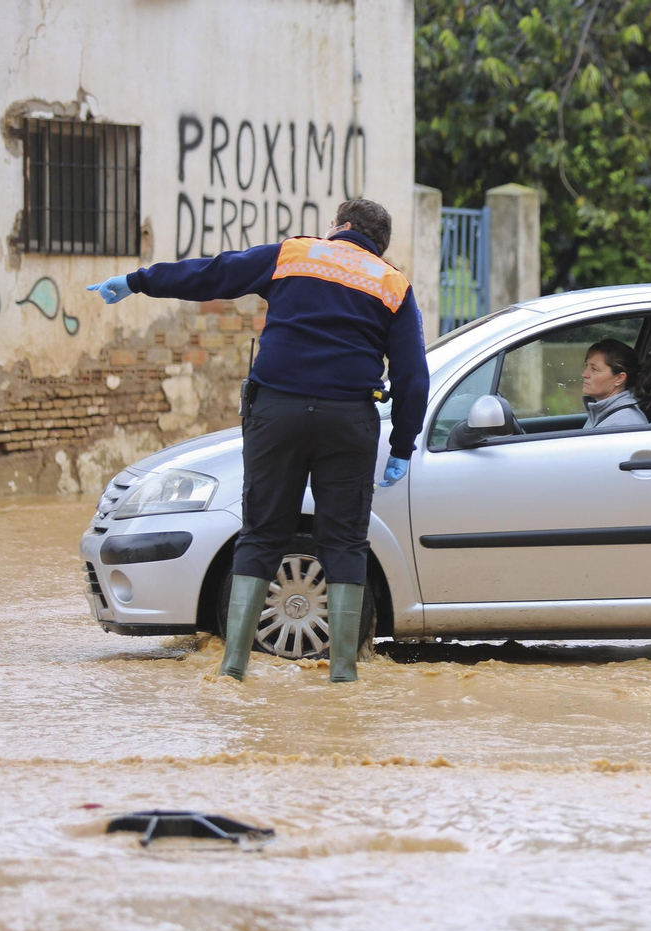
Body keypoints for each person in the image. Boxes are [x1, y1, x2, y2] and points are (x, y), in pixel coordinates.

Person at [87, 199, 427, 684]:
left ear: (343, 227)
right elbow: (413, 377)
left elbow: (213, 273)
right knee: (346, 541)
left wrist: (139, 281)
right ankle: (344, 678)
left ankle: (232, 670)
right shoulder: (393, 285)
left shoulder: (295, 254)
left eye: (332, 224)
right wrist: (402, 445)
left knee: (262, 533)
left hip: (277, 412)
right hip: (348, 421)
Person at [581, 339, 649, 429]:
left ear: (619, 379)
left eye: (594, 369)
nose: (584, 374)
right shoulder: (602, 413)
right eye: (587, 366)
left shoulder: (624, 423)